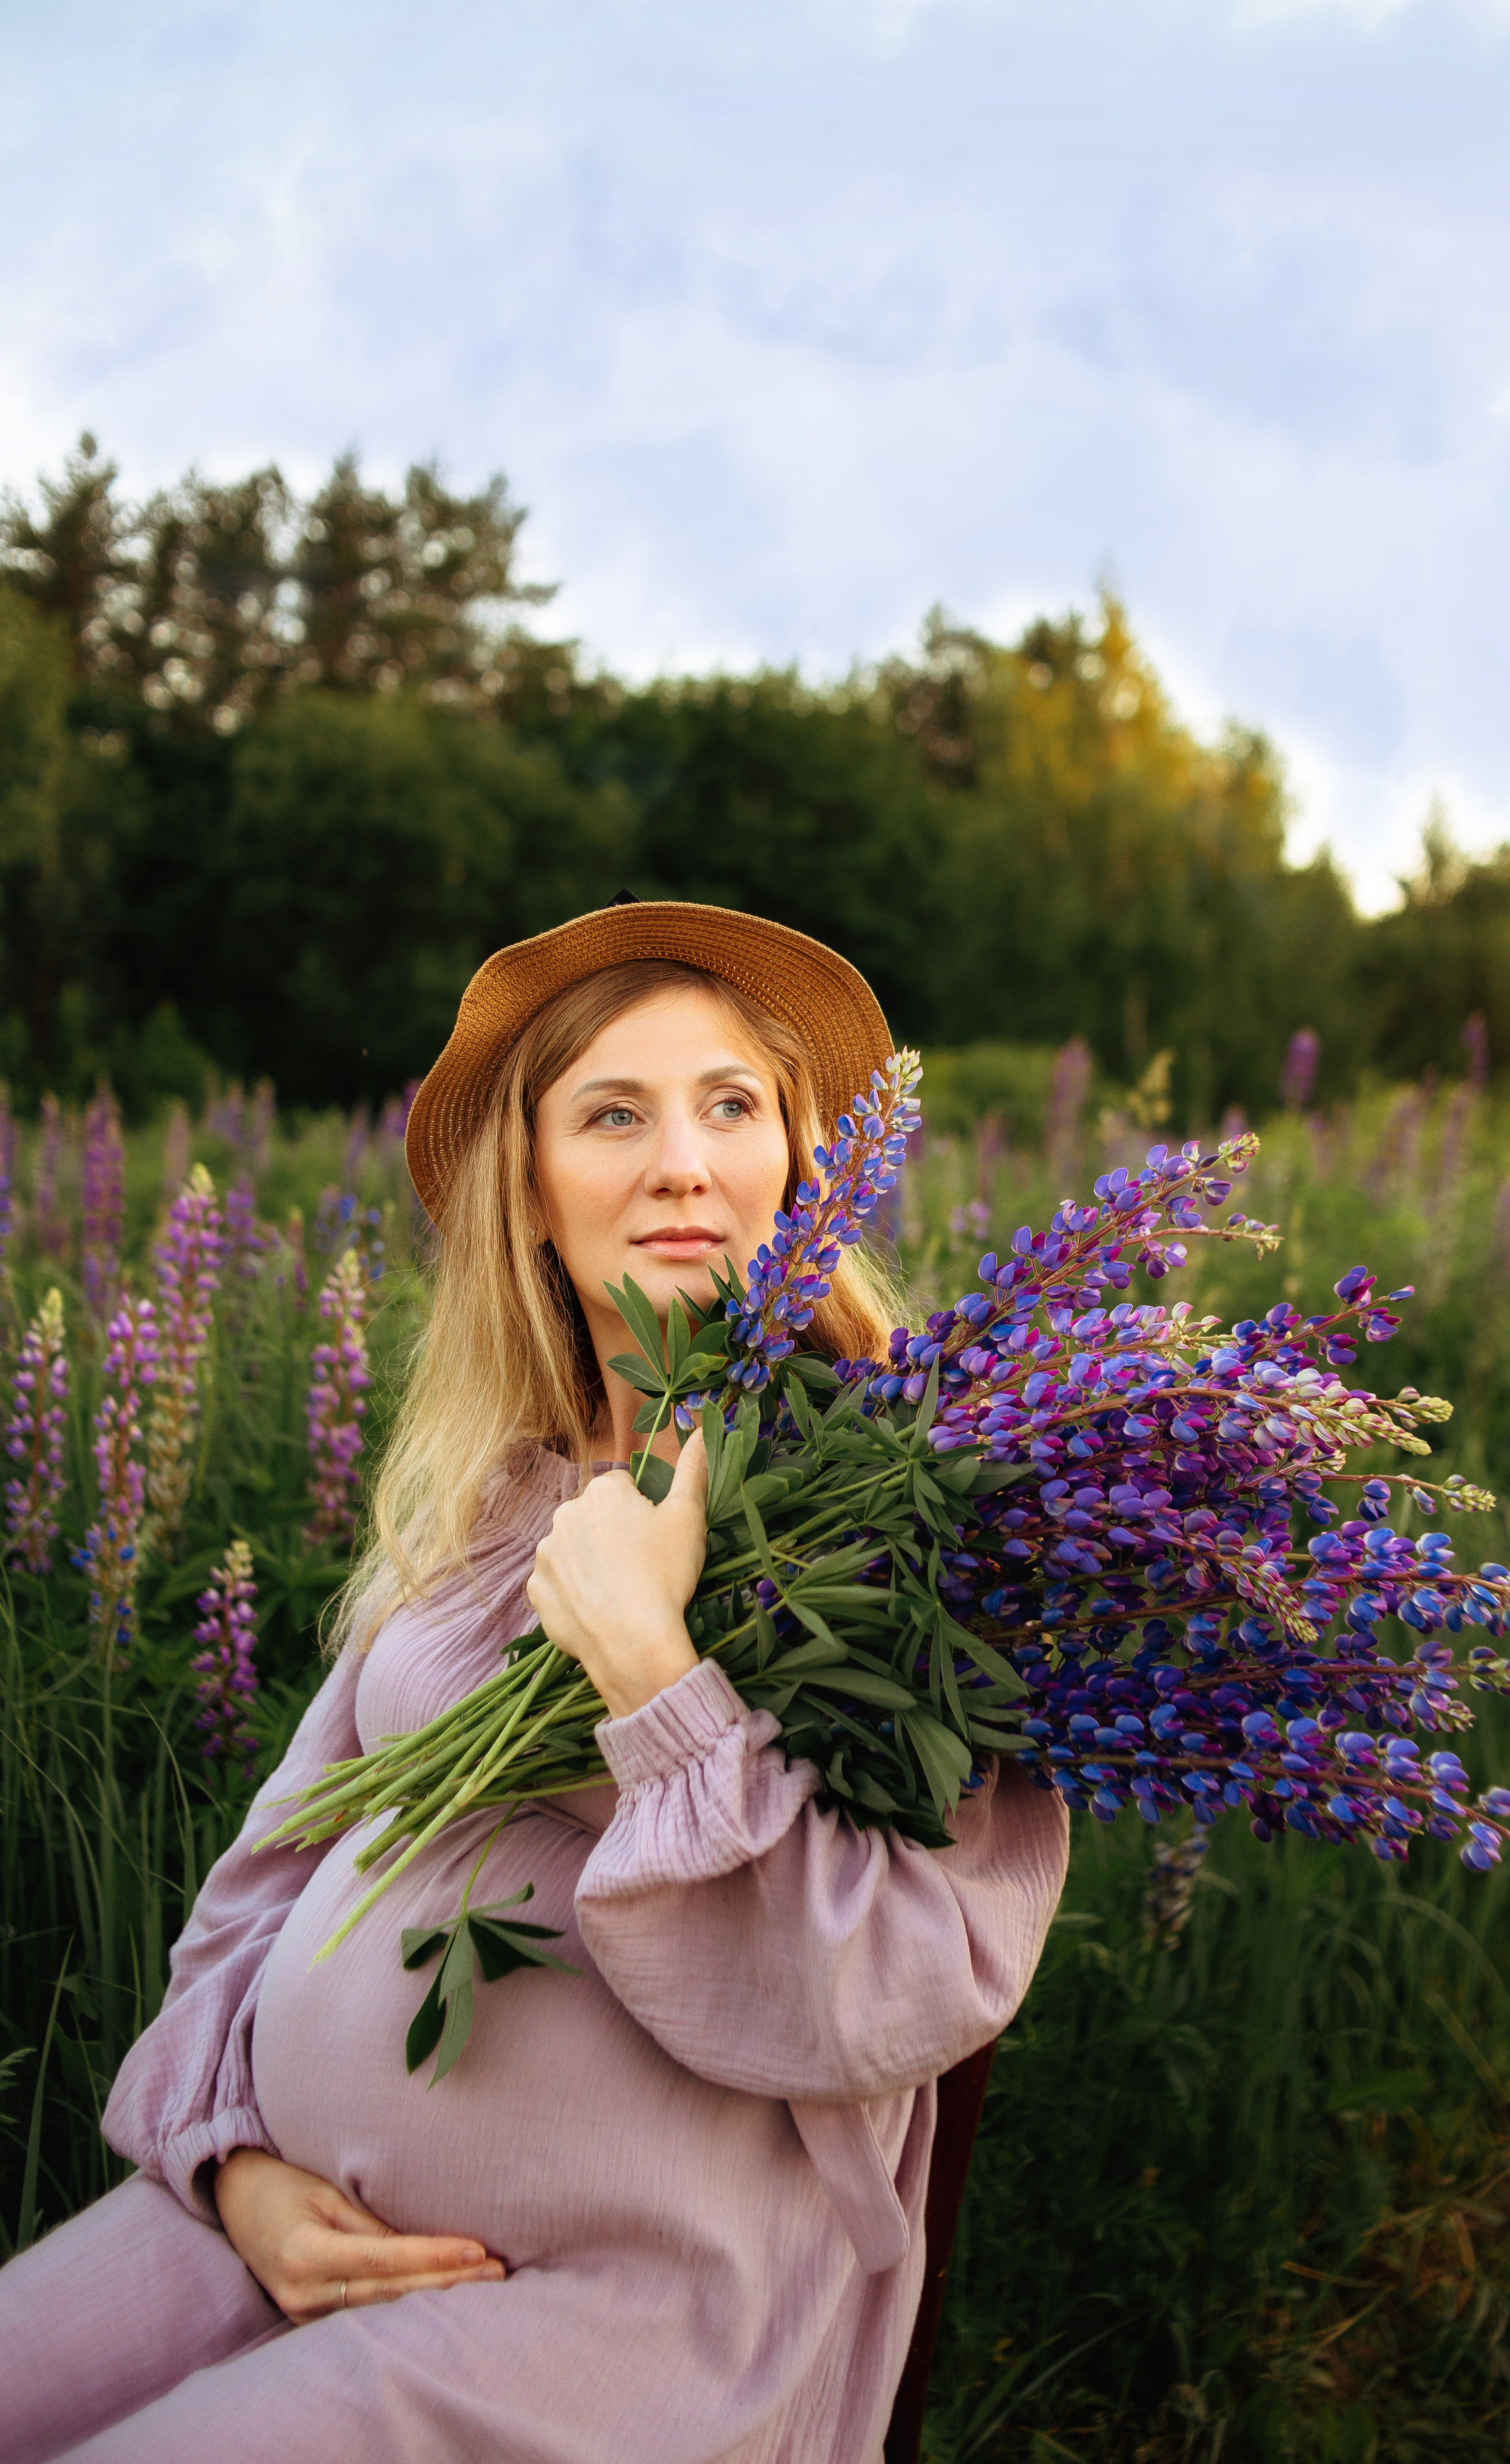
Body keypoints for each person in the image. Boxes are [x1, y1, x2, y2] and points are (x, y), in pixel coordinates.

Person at [0, 900, 1069, 2464]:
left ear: (802, 1160)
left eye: (730, 1104)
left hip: (620, 2304)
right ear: (535, 1191)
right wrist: (229, 2161)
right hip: (274, 2215)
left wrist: (651, 1668)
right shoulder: (492, 1505)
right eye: (612, 1114)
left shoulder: (914, 1515)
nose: (681, 1164)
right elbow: (265, 1883)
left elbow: (889, 1991)